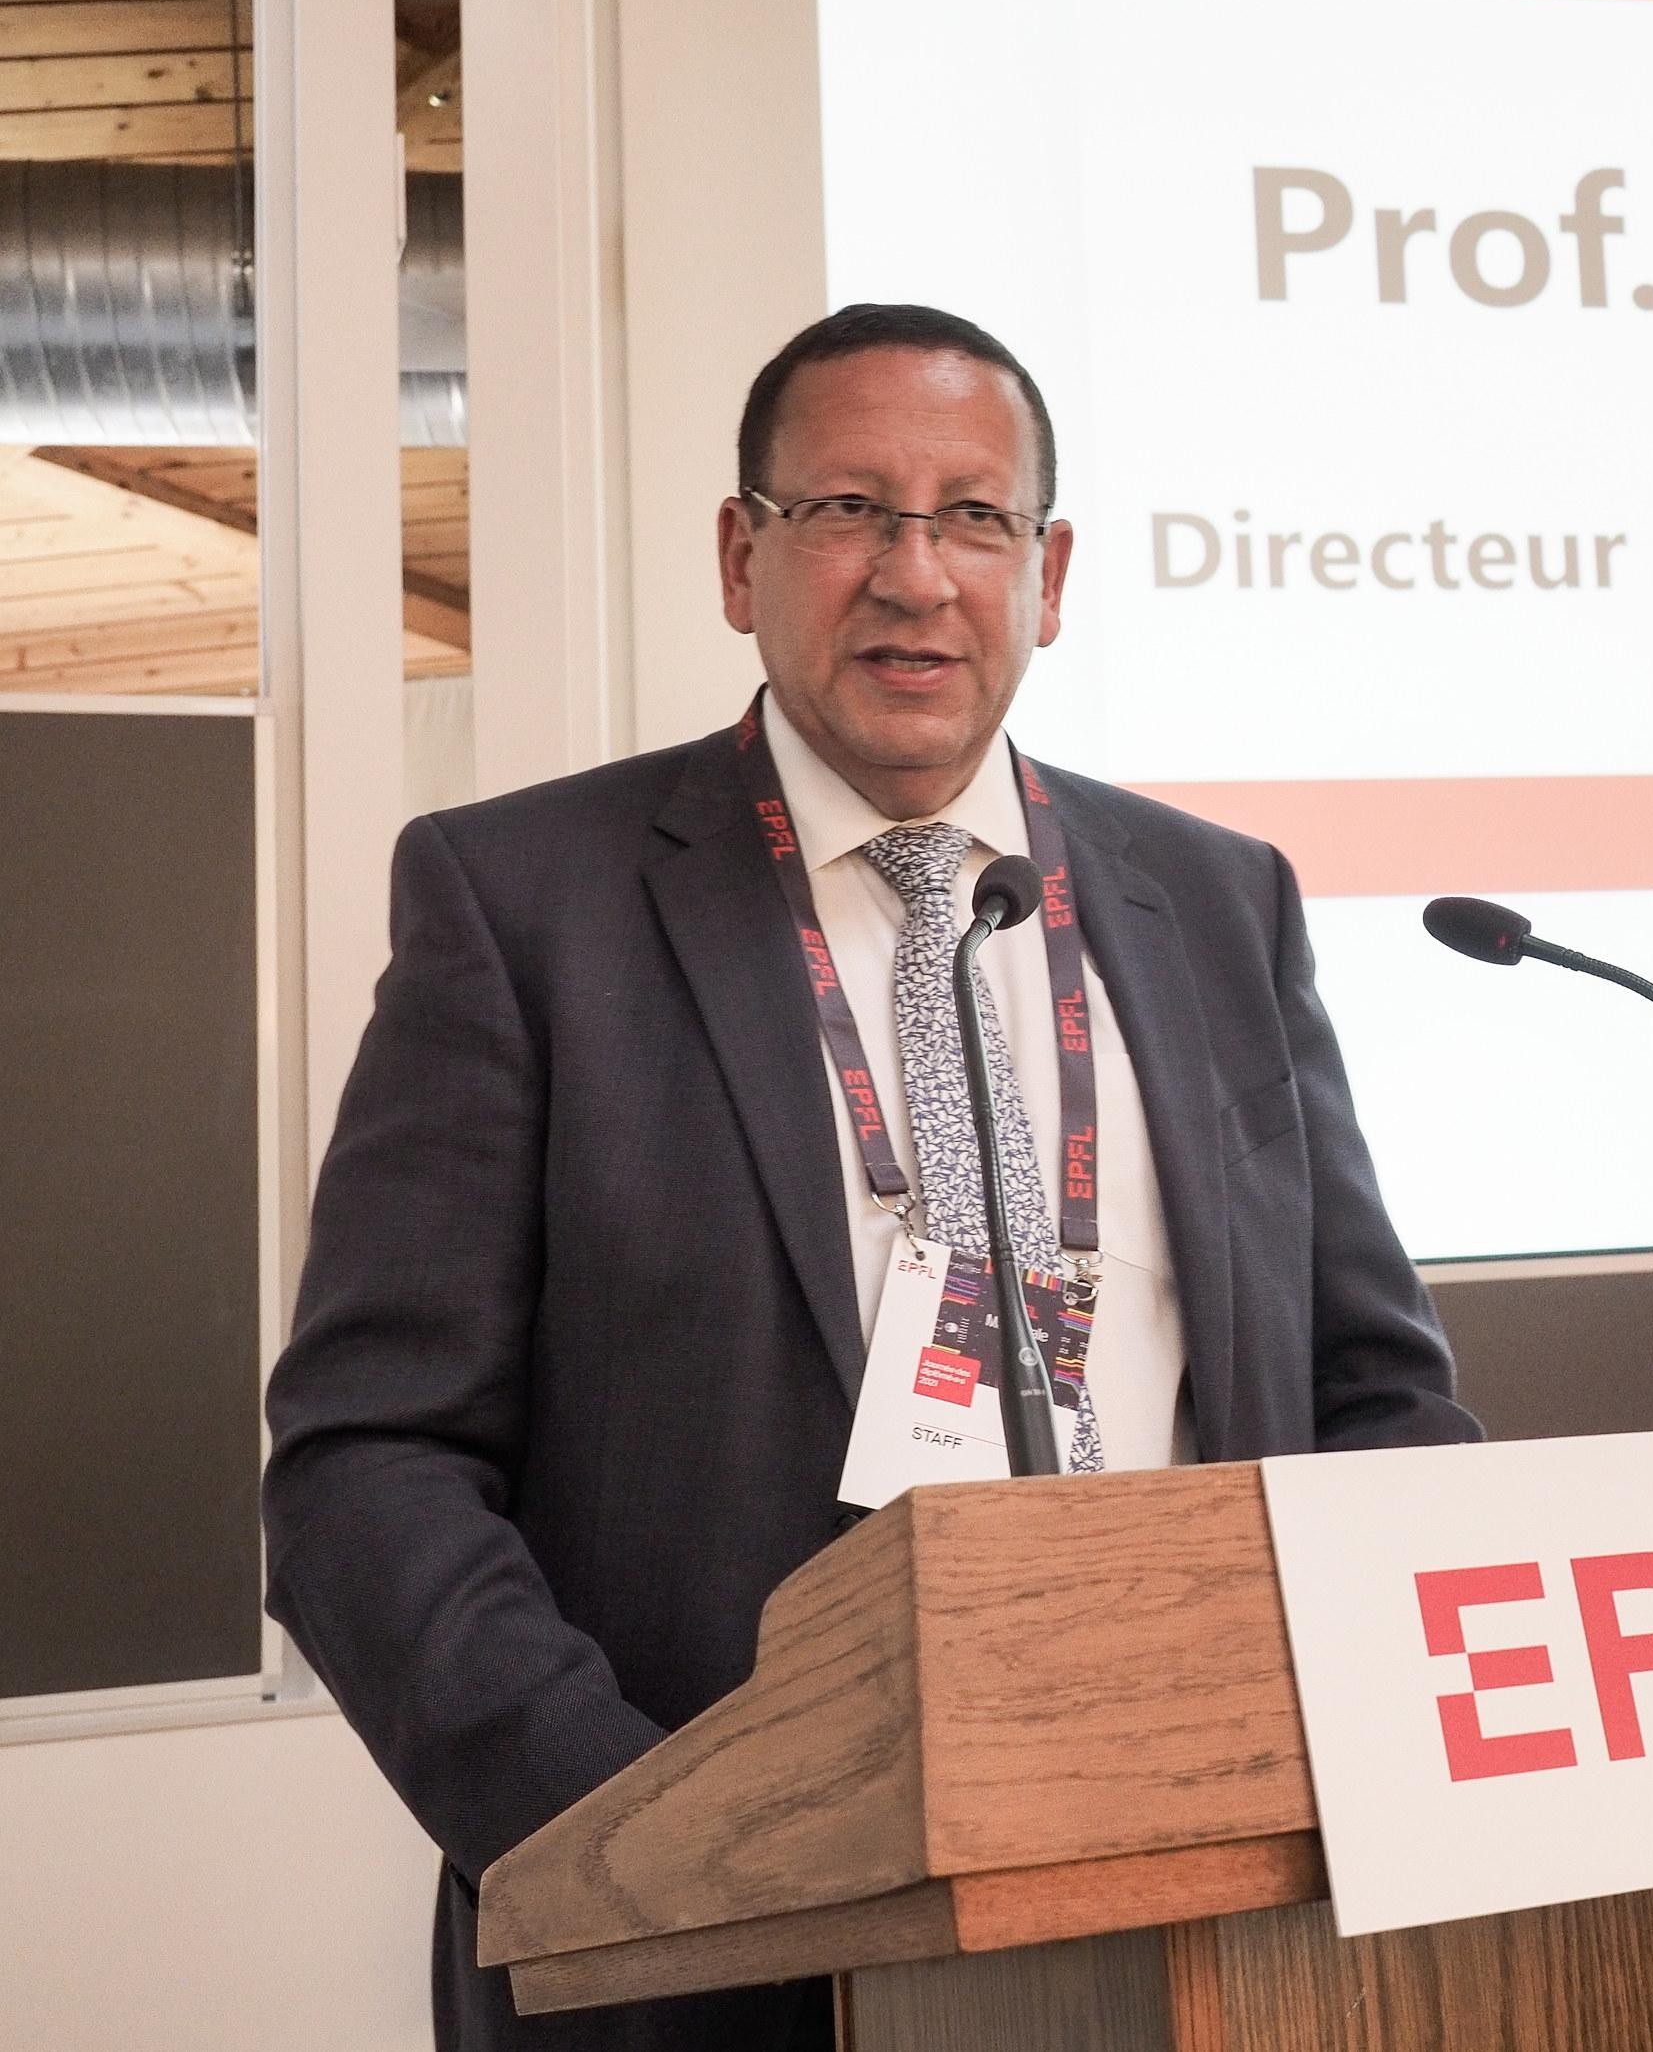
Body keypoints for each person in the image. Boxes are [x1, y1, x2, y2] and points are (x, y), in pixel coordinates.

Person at [262, 303, 1477, 2051]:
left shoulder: (1217, 903)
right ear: (739, 557)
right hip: (703, 1961)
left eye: (974, 517)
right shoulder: (524, 903)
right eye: (847, 510)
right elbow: (366, 1467)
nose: (916, 574)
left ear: (1048, 574)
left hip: (1207, 1913)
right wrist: (646, 1843)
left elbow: (1378, 1396)